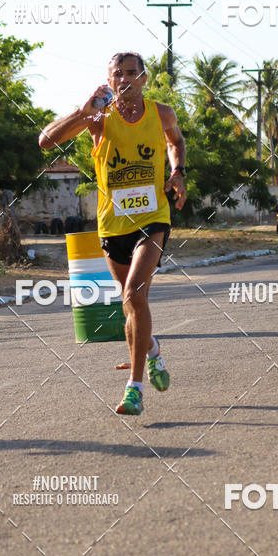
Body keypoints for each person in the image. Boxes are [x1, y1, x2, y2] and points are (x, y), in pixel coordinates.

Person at [38, 52, 186, 416]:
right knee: (131, 303)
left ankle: (134, 388)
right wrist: (82, 111)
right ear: (109, 79)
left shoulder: (161, 113)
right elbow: (46, 142)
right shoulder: (98, 117)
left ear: (144, 78)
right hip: (112, 224)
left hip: (153, 218)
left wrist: (178, 171)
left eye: (132, 73)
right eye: (117, 74)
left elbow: (175, 141)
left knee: (136, 292)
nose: (125, 80)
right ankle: (152, 350)